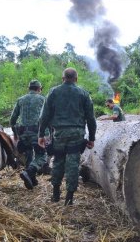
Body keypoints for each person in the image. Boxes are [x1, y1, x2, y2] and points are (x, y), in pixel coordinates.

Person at [37, 67, 97, 206]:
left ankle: (56, 194)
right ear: (76, 79)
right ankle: (69, 199)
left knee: (58, 161)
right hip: (77, 133)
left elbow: (44, 116)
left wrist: (41, 134)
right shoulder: (84, 94)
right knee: (73, 164)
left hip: (59, 133)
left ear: (63, 78)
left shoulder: (53, 92)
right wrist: (92, 138)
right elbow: (91, 119)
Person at [10, 79, 50, 190]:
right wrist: (50, 133)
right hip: (37, 133)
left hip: (23, 133)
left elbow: (13, 119)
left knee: (28, 154)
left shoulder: (20, 100)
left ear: (29, 89)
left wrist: (15, 133)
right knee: (42, 156)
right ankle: (29, 172)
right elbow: (48, 118)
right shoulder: (43, 100)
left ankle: (31, 179)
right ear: (39, 89)